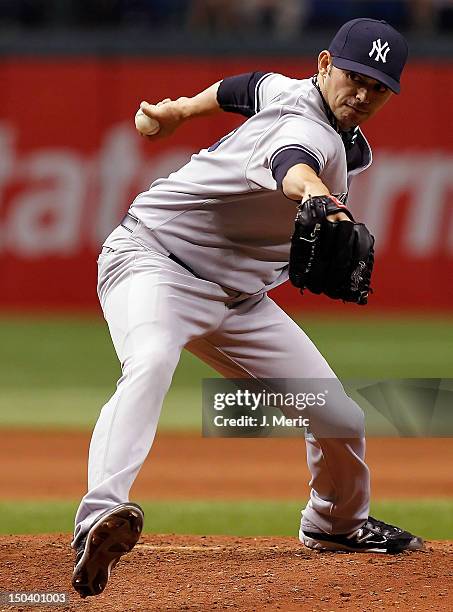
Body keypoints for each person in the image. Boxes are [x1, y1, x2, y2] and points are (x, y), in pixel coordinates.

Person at [71, 18, 424, 599]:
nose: (363, 93)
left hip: (241, 302)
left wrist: (178, 111)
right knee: (152, 360)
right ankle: (98, 520)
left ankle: (337, 526)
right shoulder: (306, 128)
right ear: (325, 65)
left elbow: (244, 86)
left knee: (339, 418)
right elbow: (292, 160)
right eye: (355, 77)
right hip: (155, 262)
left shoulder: (294, 93)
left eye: (379, 86)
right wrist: (314, 194)